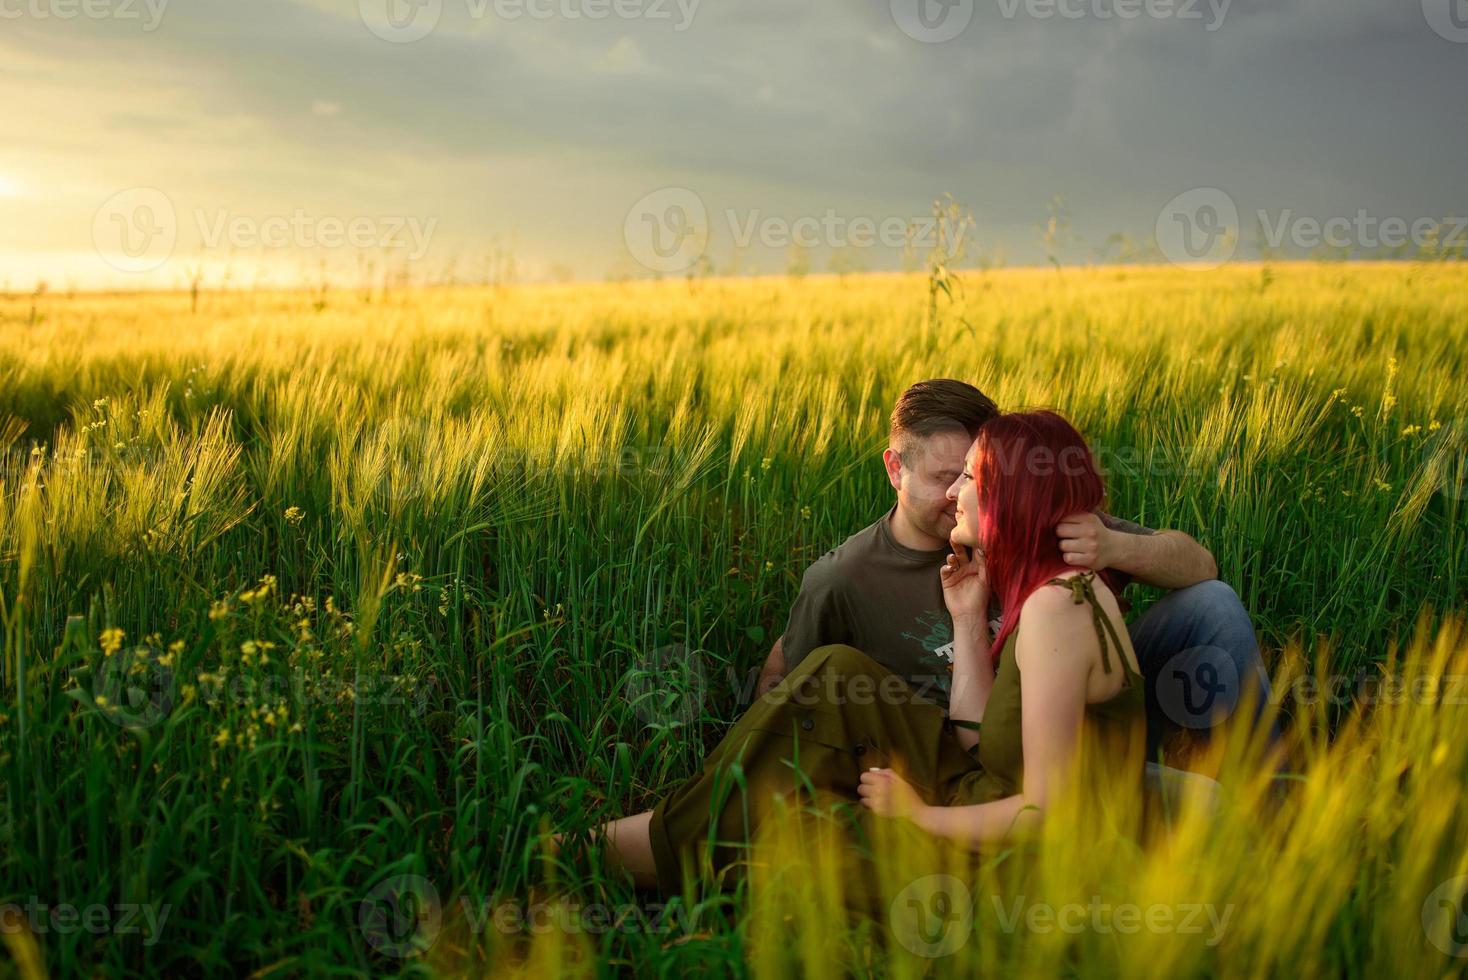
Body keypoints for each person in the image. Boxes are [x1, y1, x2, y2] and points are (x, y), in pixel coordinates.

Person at [591, 410, 1152, 892]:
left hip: (1018, 873)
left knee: (802, 830)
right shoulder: (1055, 591)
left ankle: (600, 856)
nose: (956, 491)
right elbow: (978, 740)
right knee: (834, 672)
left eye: (971, 476)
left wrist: (918, 817)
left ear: (1014, 495)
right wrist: (966, 618)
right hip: (985, 797)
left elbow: (1048, 815)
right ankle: (633, 842)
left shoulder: (1059, 608)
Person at [754, 378, 1274, 765]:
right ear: (895, 468)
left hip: (1097, 722)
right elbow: (790, 680)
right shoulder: (844, 578)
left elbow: (1201, 566)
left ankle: (1276, 795)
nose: (959, 491)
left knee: (1212, 604)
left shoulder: (1034, 520)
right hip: (992, 757)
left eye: (974, 474)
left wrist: (1112, 546)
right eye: (943, 477)